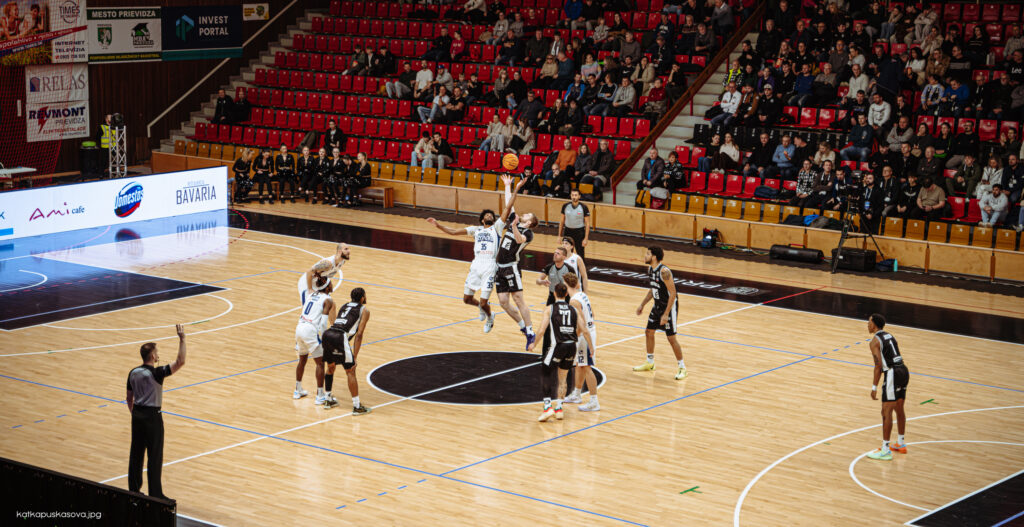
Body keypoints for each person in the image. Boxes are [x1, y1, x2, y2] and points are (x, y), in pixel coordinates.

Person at [126, 325, 187, 500]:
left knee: (136, 454)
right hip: (153, 417)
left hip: (137, 415)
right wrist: (182, 339)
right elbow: (180, 361)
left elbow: (128, 398)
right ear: (153, 356)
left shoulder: (133, 372)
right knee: (154, 455)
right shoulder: (157, 373)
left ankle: (134, 490)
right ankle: (155, 494)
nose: (158, 354)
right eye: (157, 352)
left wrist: (135, 414)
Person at [426, 205, 507, 333]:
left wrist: (512, 189)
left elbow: (506, 211)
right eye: (487, 215)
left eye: (491, 215)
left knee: (485, 302)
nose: (489, 216)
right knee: (466, 299)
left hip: (490, 266)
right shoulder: (476, 230)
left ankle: (490, 318)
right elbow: (453, 231)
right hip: (476, 265)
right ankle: (480, 307)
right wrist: (438, 225)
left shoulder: (496, 229)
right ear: (482, 220)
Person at [527, 283, 595, 422]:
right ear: (565, 295)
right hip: (572, 346)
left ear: (554, 294)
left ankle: (547, 407)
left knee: (546, 371)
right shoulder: (574, 309)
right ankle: (559, 408)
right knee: (563, 378)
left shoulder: (550, 309)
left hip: (558, 345)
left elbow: (541, 330)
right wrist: (591, 347)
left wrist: (534, 343)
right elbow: (585, 329)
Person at [493, 175, 538, 349]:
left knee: (519, 300)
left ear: (530, 222)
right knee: (503, 302)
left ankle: (531, 330)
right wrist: (509, 186)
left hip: (512, 267)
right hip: (500, 267)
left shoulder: (529, 234)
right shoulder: (516, 220)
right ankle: (523, 327)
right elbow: (508, 204)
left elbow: (519, 240)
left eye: (527, 215)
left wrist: (513, 226)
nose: (524, 214)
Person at [633, 246, 687, 380]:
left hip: (669, 307)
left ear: (654, 257)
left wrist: (666, 313)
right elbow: (653, 289)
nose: (645, 256)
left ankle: (682, 368)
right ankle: (650, 363)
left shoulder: (664, 272)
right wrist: (642, 304)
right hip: (657, 306)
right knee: (648, 331)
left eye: (647, 254)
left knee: (671, 338)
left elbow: (673, 293)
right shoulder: (650, 269)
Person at [866, 313, 910, 461]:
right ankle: (900, 443)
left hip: (892, 373)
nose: (867, 324)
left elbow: (878, 366)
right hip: (903, 370)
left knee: (886, 412)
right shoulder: (889, 336)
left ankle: (885, 450)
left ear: (875, 324)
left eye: (869, 322)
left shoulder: (874, 342)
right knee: (899, 408)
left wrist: (874, 387)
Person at [321, 288, 372, 415]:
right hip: (340, 336)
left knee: (331, 367)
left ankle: (327, 399)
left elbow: (335, 321)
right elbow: (359, 334)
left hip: (328, 334)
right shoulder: (364, 310)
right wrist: (354, 356)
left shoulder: (345, 305)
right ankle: (356, 406)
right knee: (350, 370)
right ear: (362, 298)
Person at [560, 272, 599, 411]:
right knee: (580, 365)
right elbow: (592, 314)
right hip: (587, 333)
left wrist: (573, 338)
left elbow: (581, 324)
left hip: (585, 335)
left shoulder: (574, 301)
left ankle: (594, 401)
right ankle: (577, 394)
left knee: (587, 367)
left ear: (566, 285)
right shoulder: (582, 294)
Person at [295, 276, 335, 405]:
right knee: (320, 363)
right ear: (327, 287)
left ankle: (298, 390)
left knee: (302, 360)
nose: (332, 285)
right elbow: (323, 323)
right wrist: (325, 339)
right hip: (310, 330)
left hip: (299, 327)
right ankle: (320, 395)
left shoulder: (310, 294)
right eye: (331, 283)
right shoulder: (328, 300)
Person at [558, 189, 590, 259]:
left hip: (579, 232)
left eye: (575, 195)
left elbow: (587, 224)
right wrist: (559, 236)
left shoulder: (584, 207)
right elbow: (562, 221)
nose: (574, 197)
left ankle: (581, 269)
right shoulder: (565, 206)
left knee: (580, 253)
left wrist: (586, 238)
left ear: (579, 196)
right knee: (566, 252)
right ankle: (568, 268)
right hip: (567, 231)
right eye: (572, 195)